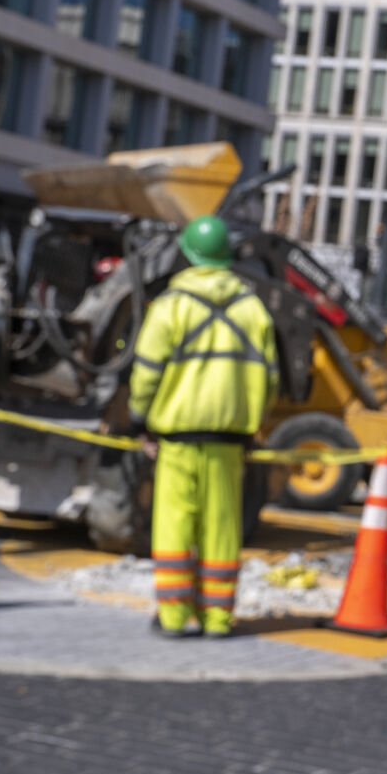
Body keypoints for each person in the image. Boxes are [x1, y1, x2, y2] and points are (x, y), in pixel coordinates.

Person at [129, 214, 278, 639]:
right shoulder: (253, 309)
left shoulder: (170, 307)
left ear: (189, 255)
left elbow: (146, 372)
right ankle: (218, 618)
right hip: (230, 441)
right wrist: (254, 424)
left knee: (175, 525)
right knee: (222, 529)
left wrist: (141, 419)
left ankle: (175, 617)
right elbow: (269, 380)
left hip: (176, 438)